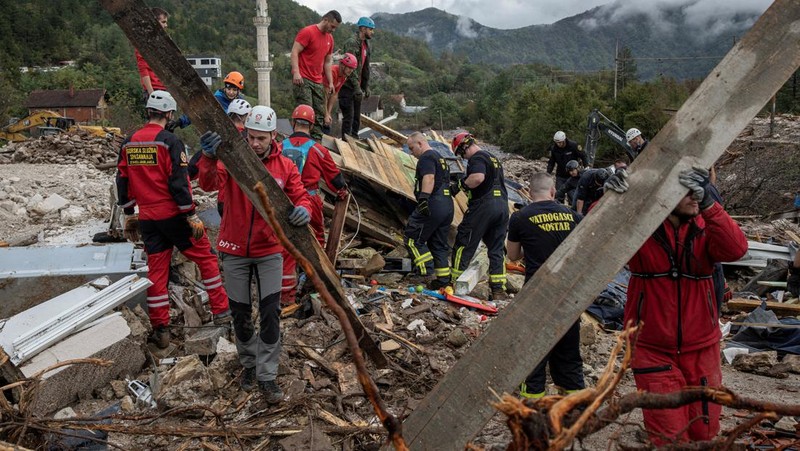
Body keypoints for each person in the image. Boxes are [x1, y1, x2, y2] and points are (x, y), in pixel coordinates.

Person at [621, 166, 747, 445]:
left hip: (702, 349)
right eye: (686, 191)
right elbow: (598, 235)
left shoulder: (706, 225)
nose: (694, 197)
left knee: (704, 432)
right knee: (670, 437)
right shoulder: (641, 228)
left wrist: (710, 206)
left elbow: (737, 249)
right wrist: (611, 197)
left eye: (698, 191)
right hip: (651, 349)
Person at [196, 105, 312, 403]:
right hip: (234, 248)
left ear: (274, 135)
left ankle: (267, 375)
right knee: (241, 314)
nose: (255, 143)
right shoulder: (234, 160)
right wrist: (209, 157)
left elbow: (300, 195)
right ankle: (248, 364)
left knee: (271, 313)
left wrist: (305, 210)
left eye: (261, 138)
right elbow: (207, 183)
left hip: (269, 250)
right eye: (251, 137)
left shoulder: (284, 166)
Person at [116, 91, 231, 349]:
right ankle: (222, 312)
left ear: (148, 112)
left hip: (147, 218)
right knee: (207, 259)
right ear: (169, 114)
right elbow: (179, 182)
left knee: (157, 271)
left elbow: (122, 181)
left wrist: (128, 213)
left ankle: (161, 329)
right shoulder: (170, 142)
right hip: (174, 215)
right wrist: (190, 214)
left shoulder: (129, 142)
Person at [507, 173, 584, 399]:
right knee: (569, 351)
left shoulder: (520, 217)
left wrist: (530, 248)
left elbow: (512, 256)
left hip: (536, 292)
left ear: (530, 193)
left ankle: (533, 405)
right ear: (552, 192)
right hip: (567, 292)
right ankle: (574, 405)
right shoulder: (573, 216)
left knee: (533, 350)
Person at [280, 104, 348, 304]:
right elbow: (334, 178)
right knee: (316, 238)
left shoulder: (279, 147)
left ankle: (286, 294)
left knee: (284, 243)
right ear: (311, 125)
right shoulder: (318, 150)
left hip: (282, 199)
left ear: (293, 123)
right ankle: (315, 282)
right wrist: (341, 192)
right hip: (309, 200)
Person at [450, 132, 509, 300]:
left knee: (464, 241)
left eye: (461, 154)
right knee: (496, 248)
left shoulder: (477, 158)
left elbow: (477, 178)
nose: (464, 158)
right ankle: (498, 290)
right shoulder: (493, 158)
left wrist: (459, 185)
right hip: (502, 206)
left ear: (464, 147)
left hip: (484, 206)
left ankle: (455, 283)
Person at [405, 132, 455, 290]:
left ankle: (427, 273)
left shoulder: (427, 157)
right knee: (438, 244)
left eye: (412, 148)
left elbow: (429, 178)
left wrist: (423, 199)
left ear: (420, 143)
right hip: (447, 205)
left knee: (412, 239)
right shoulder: (440, 158)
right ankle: (443, 280)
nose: (411, 152)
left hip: (433, 202)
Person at [190, 98, 252, 217]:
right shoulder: (248, 139)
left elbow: (195, 163)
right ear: (246, 117)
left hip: (222, 198)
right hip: (241, 199)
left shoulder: (218, 137)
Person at [291, 10, 342, 140]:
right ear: (325, 20)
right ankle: (301, 140)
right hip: (303, 79)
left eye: (336, 28)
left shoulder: (330, 39)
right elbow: (295, 51)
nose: (333, 30)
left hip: (317, 80)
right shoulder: (308, 32)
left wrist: (330, 82)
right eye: (332, 26)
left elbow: (328, 61)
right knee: (305, 112)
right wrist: (296, 72)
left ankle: (316, 143)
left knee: (319, 114)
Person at [339, 16, 375, 139]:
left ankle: (354, 139)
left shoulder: (366, 45)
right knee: (348, 116)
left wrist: (365, 86)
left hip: (357, 87)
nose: (372, 32)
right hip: (347, 86)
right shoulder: (352, 42)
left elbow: (365, 67)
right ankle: (345, 141)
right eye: (370, 29)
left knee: (356, 117)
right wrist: (356, 86)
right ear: (363, 28)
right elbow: (349, 67)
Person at [135, 7, 169, 100]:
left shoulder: (162, 42)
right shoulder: (143, 42)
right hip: (154, 88)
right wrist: (151, 92)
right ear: (154, 22)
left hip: (167, 88)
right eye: (163, 22)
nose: (166, 25)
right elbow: (143, 68)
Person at [323, 53, 358, 135]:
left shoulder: (343, 76)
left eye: (352, 68)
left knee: (327, 124)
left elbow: (334, 95)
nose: (351, 70)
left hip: (325, 99)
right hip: (320, 99)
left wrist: (329, 112)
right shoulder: (332, 72)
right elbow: (324, 95)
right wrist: (326, 114)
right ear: (342, 65)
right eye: (349, 67)